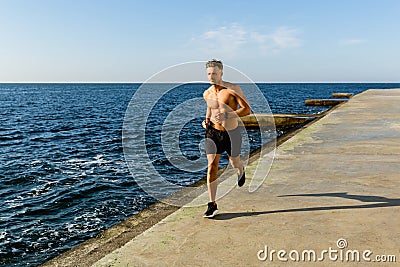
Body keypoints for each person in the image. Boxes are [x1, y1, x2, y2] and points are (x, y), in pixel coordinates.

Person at [202, 59, 251, 218]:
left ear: (221, 73)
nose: (212, 76)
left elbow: (247, 110)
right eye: (209, 73)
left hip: (232, 133)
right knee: (211, 166)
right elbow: (209, 110)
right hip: (213, 133)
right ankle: (212, 204)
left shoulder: (232, 89)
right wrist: (206, 121)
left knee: (234, 161)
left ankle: (240, 169)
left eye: (214, 73)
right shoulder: (207, 93)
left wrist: (228, 114)